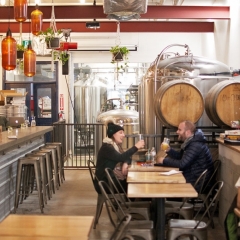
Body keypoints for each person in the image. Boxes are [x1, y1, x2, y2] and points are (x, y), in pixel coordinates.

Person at [156, 120, 214, 192]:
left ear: (188, 132)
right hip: (193, 177)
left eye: (179, 130)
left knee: (165, 185)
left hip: (197, 183)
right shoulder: (192, 142)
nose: (177, 132)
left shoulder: (195, 145)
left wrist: (164, 160)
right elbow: (182, 157)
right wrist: (169, 150)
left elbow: (182, 164)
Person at [94, 119, 145, 193]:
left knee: (136, 184)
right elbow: (121, 157)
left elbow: (126, 157)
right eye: (120, 133)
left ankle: (130, 202)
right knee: (136, 186)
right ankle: (130, 203)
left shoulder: (116, 146)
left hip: (111, 180)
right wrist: (136, 147)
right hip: (106, 184)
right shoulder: (107, 147)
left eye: (123, 133)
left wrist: (125, 163)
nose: (124, 135)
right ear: (113, 135)